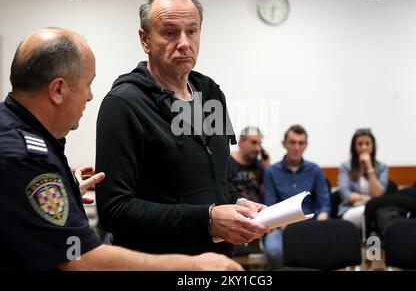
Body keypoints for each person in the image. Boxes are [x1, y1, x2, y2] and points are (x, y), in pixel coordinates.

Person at [0, 27, 243, 271]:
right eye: (88, 84)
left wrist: (65, 189)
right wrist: (189, 266)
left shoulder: (17, 132)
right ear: (58, 90)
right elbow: (79, 259)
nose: (90, 96)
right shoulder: (25, 156)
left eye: (192, 30)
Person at [95, 0, 270, 257]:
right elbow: (115, 210)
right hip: (158, 261)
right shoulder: (123, 103)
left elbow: (217, 183)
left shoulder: (210, 94)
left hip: (216, 261)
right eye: (169, 32)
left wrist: (240, 203)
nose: (184, 42)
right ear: (145, 40)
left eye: (192, 31)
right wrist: (208, 219)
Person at [263, 125, 330, 269]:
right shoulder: (271, 172)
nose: (297, 147)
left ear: (306, 145)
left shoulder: (315, 170)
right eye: (292, 142)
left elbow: (324, 204)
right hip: (280, 225)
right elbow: (270, 206)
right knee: (274, 251)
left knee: (323, 250)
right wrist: (284, 227)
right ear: (284, 144)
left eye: (301, 143)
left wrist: (320, 222)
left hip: (311, 224)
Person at [338, 128, 388, 228]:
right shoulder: (346, 167)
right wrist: (369, 199)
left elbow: (378, 194)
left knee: (380, 214)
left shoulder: (382, 167)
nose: (364, 147)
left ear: (373, 146)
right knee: (372, 214)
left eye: (367, 143)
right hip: (351, 209)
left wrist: (369, 167)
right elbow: (346, 195)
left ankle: (375, 241)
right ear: (354, 147)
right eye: (360, 144)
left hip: (375, 209)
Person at [229, 126, 269, 204]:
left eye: (259, 144)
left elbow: (266, 194)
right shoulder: (227, 163)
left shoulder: (259, 166)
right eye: (253, 142)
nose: (258, 148)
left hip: (258, 212)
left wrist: (267, 169)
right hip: (234, 211)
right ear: (241, 142)